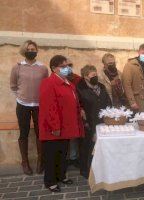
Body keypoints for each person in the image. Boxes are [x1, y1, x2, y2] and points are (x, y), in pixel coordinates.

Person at [39, 55, 84, 192]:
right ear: (53, 68)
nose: (67, 69)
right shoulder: (48, 83)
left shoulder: (68, 82)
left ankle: (61, 175)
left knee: (63, 153)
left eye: (68, 66)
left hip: (66, 126)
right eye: (63, 66)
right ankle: (50, 181)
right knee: (52, 155)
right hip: (54, 128)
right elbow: (49, 107)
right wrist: (55, 126)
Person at [10, 40, 48, 175]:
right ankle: (25, 162)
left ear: (37, 50)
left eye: (33, 49)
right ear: (24, 50)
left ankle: (40, 161)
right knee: (24, 133)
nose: (31, 51)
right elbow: (13, 86)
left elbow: (45, 87)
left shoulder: (43, 68)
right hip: (22, 105)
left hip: (39, 106)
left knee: (40, 133)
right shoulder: (17, 67)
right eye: (29, 49)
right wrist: (21, 97)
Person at [77, 65, 112, 179]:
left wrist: (109, 115)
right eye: (92, 75)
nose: (95, 77)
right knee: (87, 147)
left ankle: (100, 168)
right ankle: (86, 170)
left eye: (96, 74)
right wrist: (85, 121)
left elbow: (108, 101)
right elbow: (79, 106)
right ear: (85, 77)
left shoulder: (101, 86)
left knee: (101, 147)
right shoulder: (80, 89)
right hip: (88, 122)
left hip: (102, 121)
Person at [122, 44, 144, 112]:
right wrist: (132, 101)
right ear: (138, 52)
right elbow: (126, 84)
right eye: (143, 53)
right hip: (136, 101)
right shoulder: (130, 65)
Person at [65, 59, 82, 168]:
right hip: (64, 111)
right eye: (65, 65)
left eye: (70, 65)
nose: (68, 67)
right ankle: (65, 159)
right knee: (64, 137)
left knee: (75, 136)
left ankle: (74, 157)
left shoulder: (78, 79)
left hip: (76, 110)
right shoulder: (58, 79)